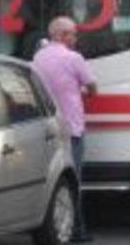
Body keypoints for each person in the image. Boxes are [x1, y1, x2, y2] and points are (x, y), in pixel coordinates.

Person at [32, 16, 97, 243]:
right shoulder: (74, 58)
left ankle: (56, 229)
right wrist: (81, 91)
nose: (76, 38)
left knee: (52, 183)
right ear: (61, 35)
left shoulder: (37, 57)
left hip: (48, 129)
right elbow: (92, 86)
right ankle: (77, 231)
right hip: (72, 129)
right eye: (73, 34)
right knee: (73, 182)